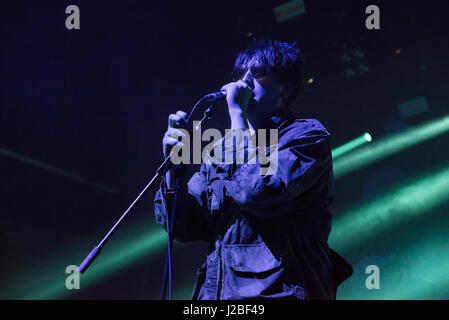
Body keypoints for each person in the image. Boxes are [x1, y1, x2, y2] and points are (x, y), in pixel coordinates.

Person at [154, 39, 352, 300]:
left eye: (257, 73)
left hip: (279, 293)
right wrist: (175, 167)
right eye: (238, 74)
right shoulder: (222, 149)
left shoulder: (305, 136)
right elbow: (184, 225)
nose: (244, 81)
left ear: (286, 87)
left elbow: (257, 190)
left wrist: (237, 115)